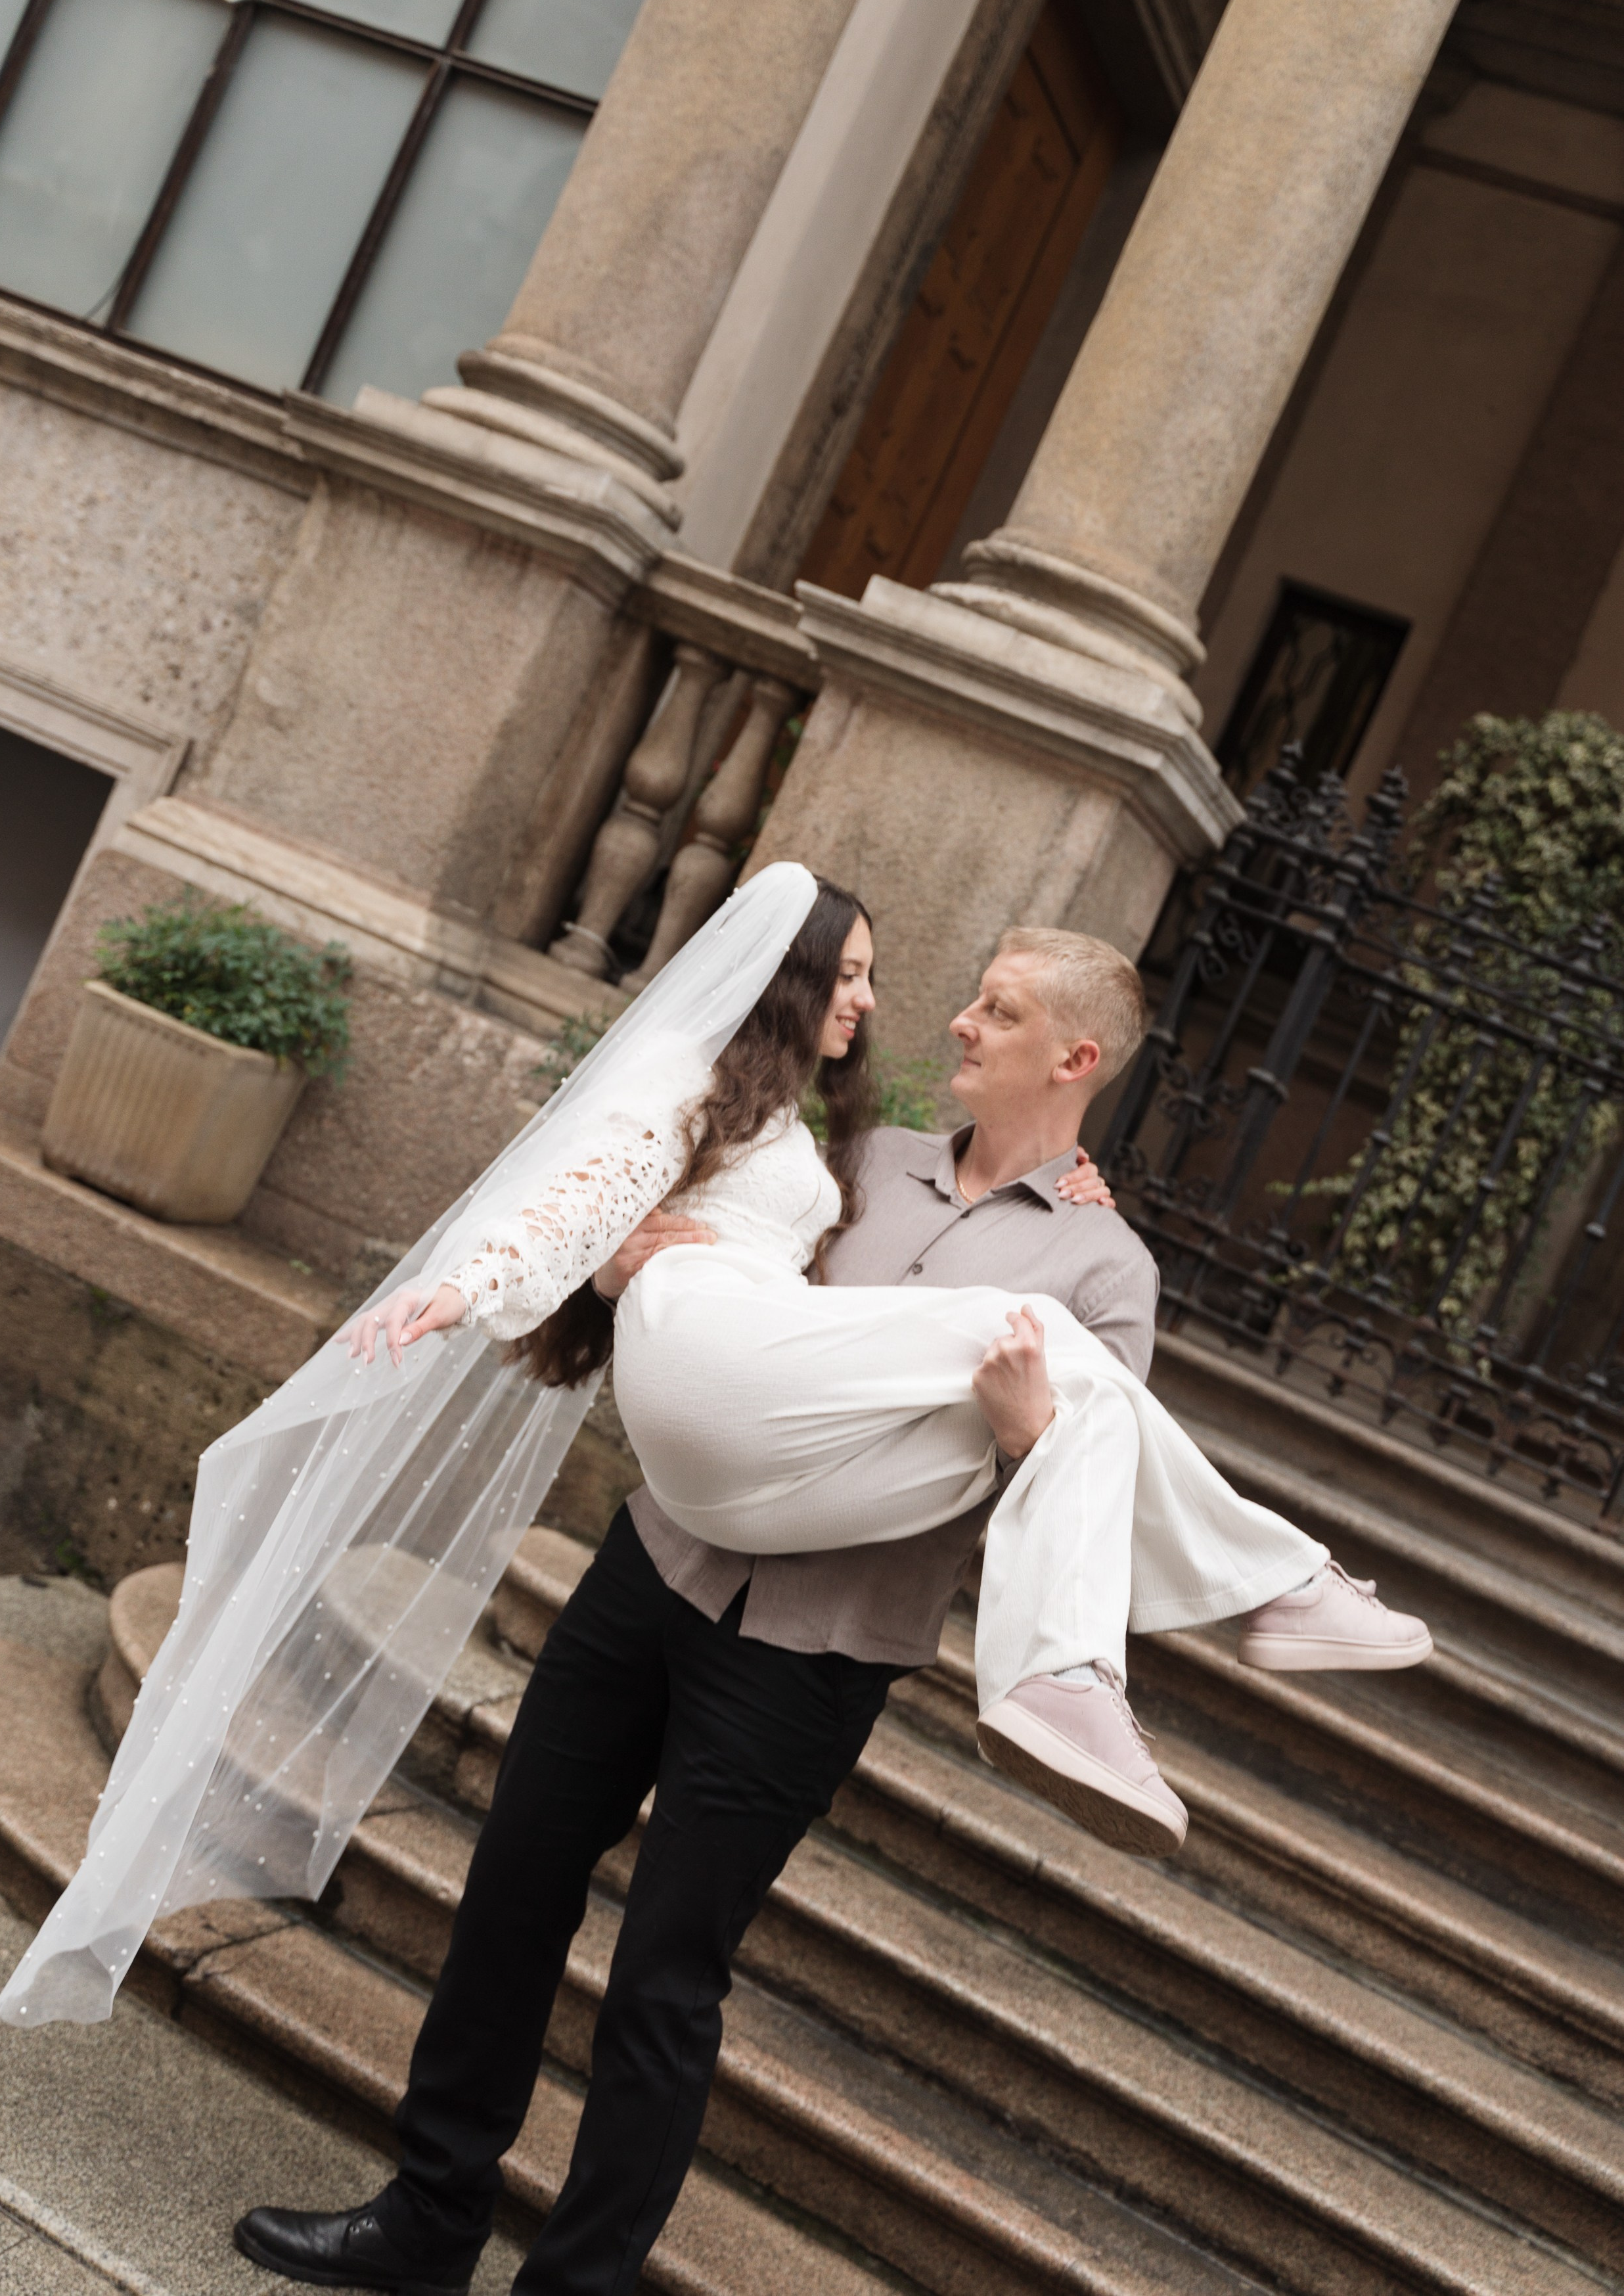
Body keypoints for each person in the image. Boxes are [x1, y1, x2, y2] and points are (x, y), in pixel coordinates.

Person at [235, 874, 1428, 2296]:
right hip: (660, 1570)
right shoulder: (853, 1164)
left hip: (815, 1651)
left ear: (1076, 1060)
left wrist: (1026, 1428)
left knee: (667, 1975)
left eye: (998, 1008)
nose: (954, 1021)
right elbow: (715, 1270)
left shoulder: (1102, 1267)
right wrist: (634, 1253)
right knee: (511, 1884)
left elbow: (1058, 1489)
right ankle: (424, 2222)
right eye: (970, 995)